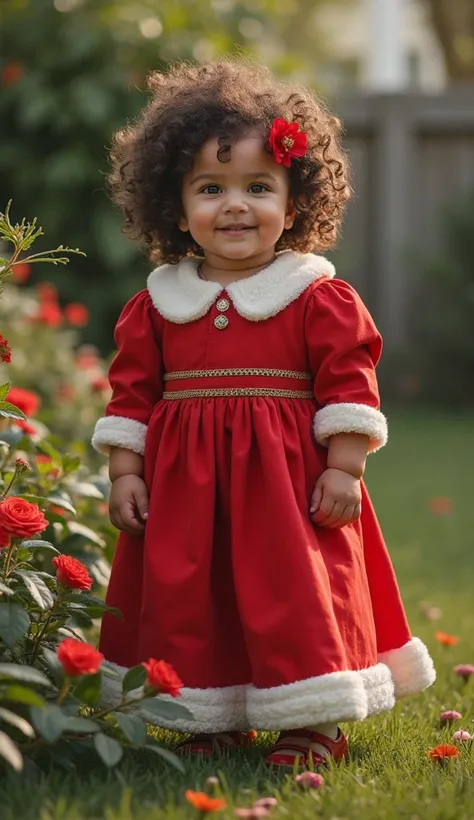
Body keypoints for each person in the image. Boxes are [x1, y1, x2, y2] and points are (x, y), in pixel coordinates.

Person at [92, 59, 435, 769]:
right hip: (188, 491)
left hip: (287, 489)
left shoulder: (314, 296)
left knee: (296, 594)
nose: (236, 206)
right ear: (176, 205)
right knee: (197, 594)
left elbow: (348, 381)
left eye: (259, 187)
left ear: (295, 200)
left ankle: (314, 717)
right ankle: (208, 708)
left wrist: (345, 466)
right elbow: (132, 394)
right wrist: (127, 470)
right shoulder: (158, 304)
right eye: (210, 189)